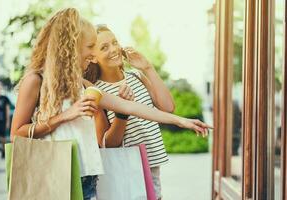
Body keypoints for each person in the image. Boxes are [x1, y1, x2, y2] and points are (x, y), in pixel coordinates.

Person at [11, 8, 211, 200]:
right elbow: (17, 133)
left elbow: (131, 107)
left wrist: (182, 121)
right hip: (54, 175)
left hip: (86, 176)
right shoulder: (35, 80)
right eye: (90, 47)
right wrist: (65, 115)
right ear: (71, 46)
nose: (92, 53)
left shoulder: (81, 84)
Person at [85, 25, 189, 199]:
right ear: (93, 58)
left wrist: (147, 68)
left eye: (114, 42)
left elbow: (168, 107)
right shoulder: (97, 91)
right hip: (126, 171)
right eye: (104, 47)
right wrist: (122, 112)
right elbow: (107, 144)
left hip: (152, 166)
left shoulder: (136, 76)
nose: (113, 49)